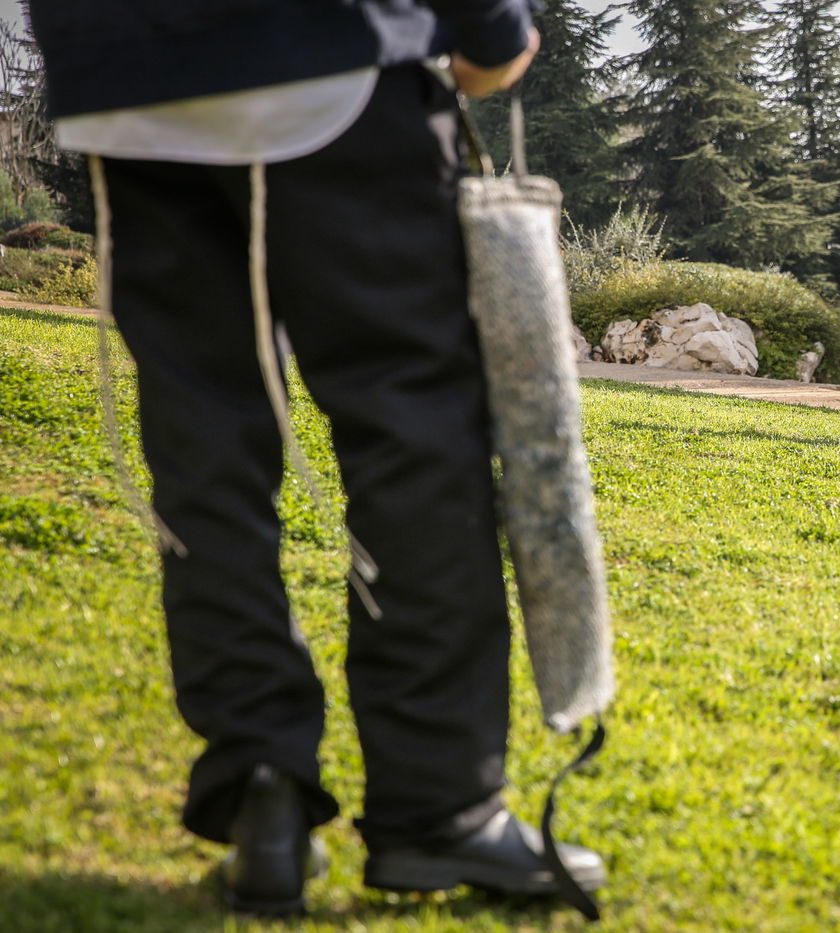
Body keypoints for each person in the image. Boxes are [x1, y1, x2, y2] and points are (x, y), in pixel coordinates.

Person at [28, 0, 605, 917]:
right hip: (331, 58)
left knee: (203, 443)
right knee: (410, 433)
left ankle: (259, 778)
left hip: (133, 85)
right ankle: (438, 800)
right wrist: (493, 26)